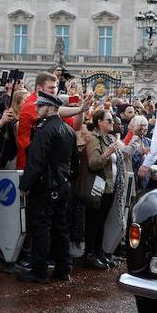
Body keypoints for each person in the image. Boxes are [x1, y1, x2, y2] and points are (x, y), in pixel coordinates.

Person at [19, 91, 77, 283]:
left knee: (41, 227)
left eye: (40, 106)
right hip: (63, 184)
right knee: (61, 227)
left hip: (45, 185)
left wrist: (25, 185)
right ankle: (64, 268)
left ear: (51, 107)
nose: (36, 109)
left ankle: (40, 270)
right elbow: (74, 161)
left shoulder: (45, 130)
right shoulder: (67, 130)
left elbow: (36, 160)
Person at [82, 108, 122, 270]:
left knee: (101, 222)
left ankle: (99, 253)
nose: (112, 123)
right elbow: (93, 163)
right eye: (109, 120)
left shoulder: (108, 138)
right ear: (99, 122)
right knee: (94, 223)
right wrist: (108, 153)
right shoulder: (94, 139)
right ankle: (90, 254)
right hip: (98, 189)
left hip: (109, 187)